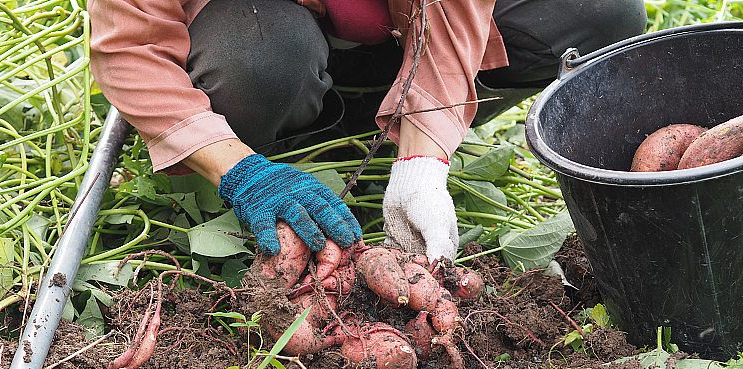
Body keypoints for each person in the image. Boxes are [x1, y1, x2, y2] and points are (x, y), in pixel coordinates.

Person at [87, 0, 646, 262]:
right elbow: (130, 48)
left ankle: (377, 142)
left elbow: (454, 10)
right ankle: (264, 154)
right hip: (256, 28)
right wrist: (241, 170)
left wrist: (423, 160)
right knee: (260, 61)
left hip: (389, 34)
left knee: (599, 13)